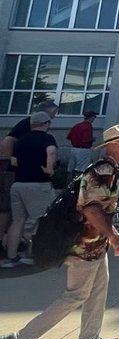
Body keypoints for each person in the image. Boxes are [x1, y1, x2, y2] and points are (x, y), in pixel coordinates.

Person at [0, 122, 119, 339]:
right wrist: (113, 235)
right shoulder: (103, 171)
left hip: (94, 245)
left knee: (98, 290)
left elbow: (102, 209)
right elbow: (92, 210)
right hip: (83, 247)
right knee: (74, 297)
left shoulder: (111, 170)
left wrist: (108, 236)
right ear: (115, 146)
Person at [0, 100, 58, 255]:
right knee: (40, 219)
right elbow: (51, 152)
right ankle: (32, 255)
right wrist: (50, 168)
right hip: (37, 183)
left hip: (18, 183)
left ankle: (11, 255)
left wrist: (12, 163)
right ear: (45, 122)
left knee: (17, 221)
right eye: (52, 117)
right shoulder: (47, 138)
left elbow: (16, 158)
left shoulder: (22, 141)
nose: (53, 120)